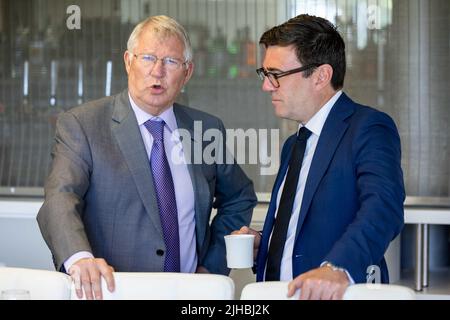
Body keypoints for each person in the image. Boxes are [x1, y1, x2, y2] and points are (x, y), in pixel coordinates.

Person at [37, 15, 257, 300]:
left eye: (171, 62)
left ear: (187, 72)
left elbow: (239, 196)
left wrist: (211, 266)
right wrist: (79, 259)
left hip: (190, 295)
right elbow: (59, 197)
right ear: (128, 61)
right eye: (148, 58)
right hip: (113, 293)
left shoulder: (205, 129)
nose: (157, 71)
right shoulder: (84, 124)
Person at [233, 14, 404, 300]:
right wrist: (264, 244)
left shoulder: (368, 127)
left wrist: (338, 267)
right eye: (265, 75)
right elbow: (302, 226)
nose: (267, 86)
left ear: (321, 76)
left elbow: (383, 207)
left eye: (276, 74)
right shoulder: (293, 144)